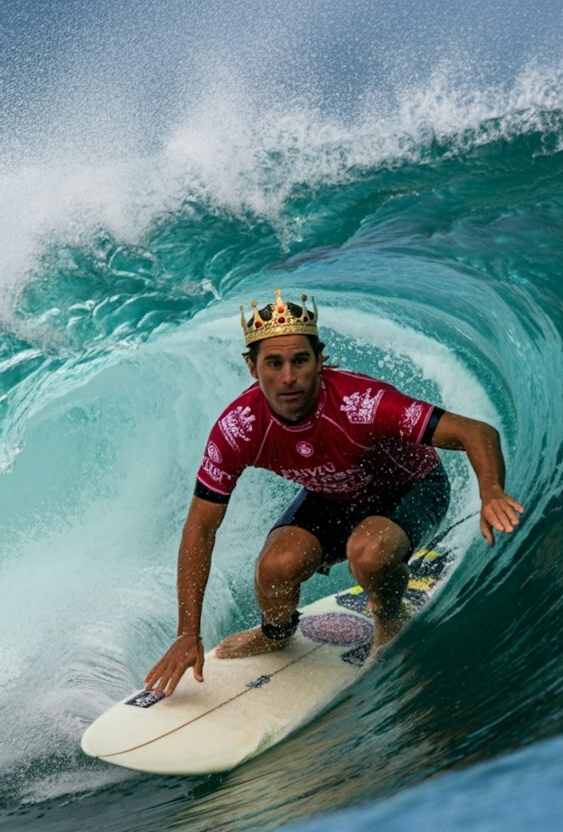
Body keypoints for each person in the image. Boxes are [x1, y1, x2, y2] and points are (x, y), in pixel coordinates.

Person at [144, 289, 523, 697]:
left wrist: (491, 491)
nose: (288, 377)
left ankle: (391, 616)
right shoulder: (238, 428)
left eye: (300, 361)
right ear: (252, 367)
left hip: (412, 489)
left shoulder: (362, 404)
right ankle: (276, 633)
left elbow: (475, 432)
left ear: (319, 361)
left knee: (370, 551)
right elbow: (200, 528)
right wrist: (187, 634)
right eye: (274, 363)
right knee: (275, 567)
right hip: (334, 497)